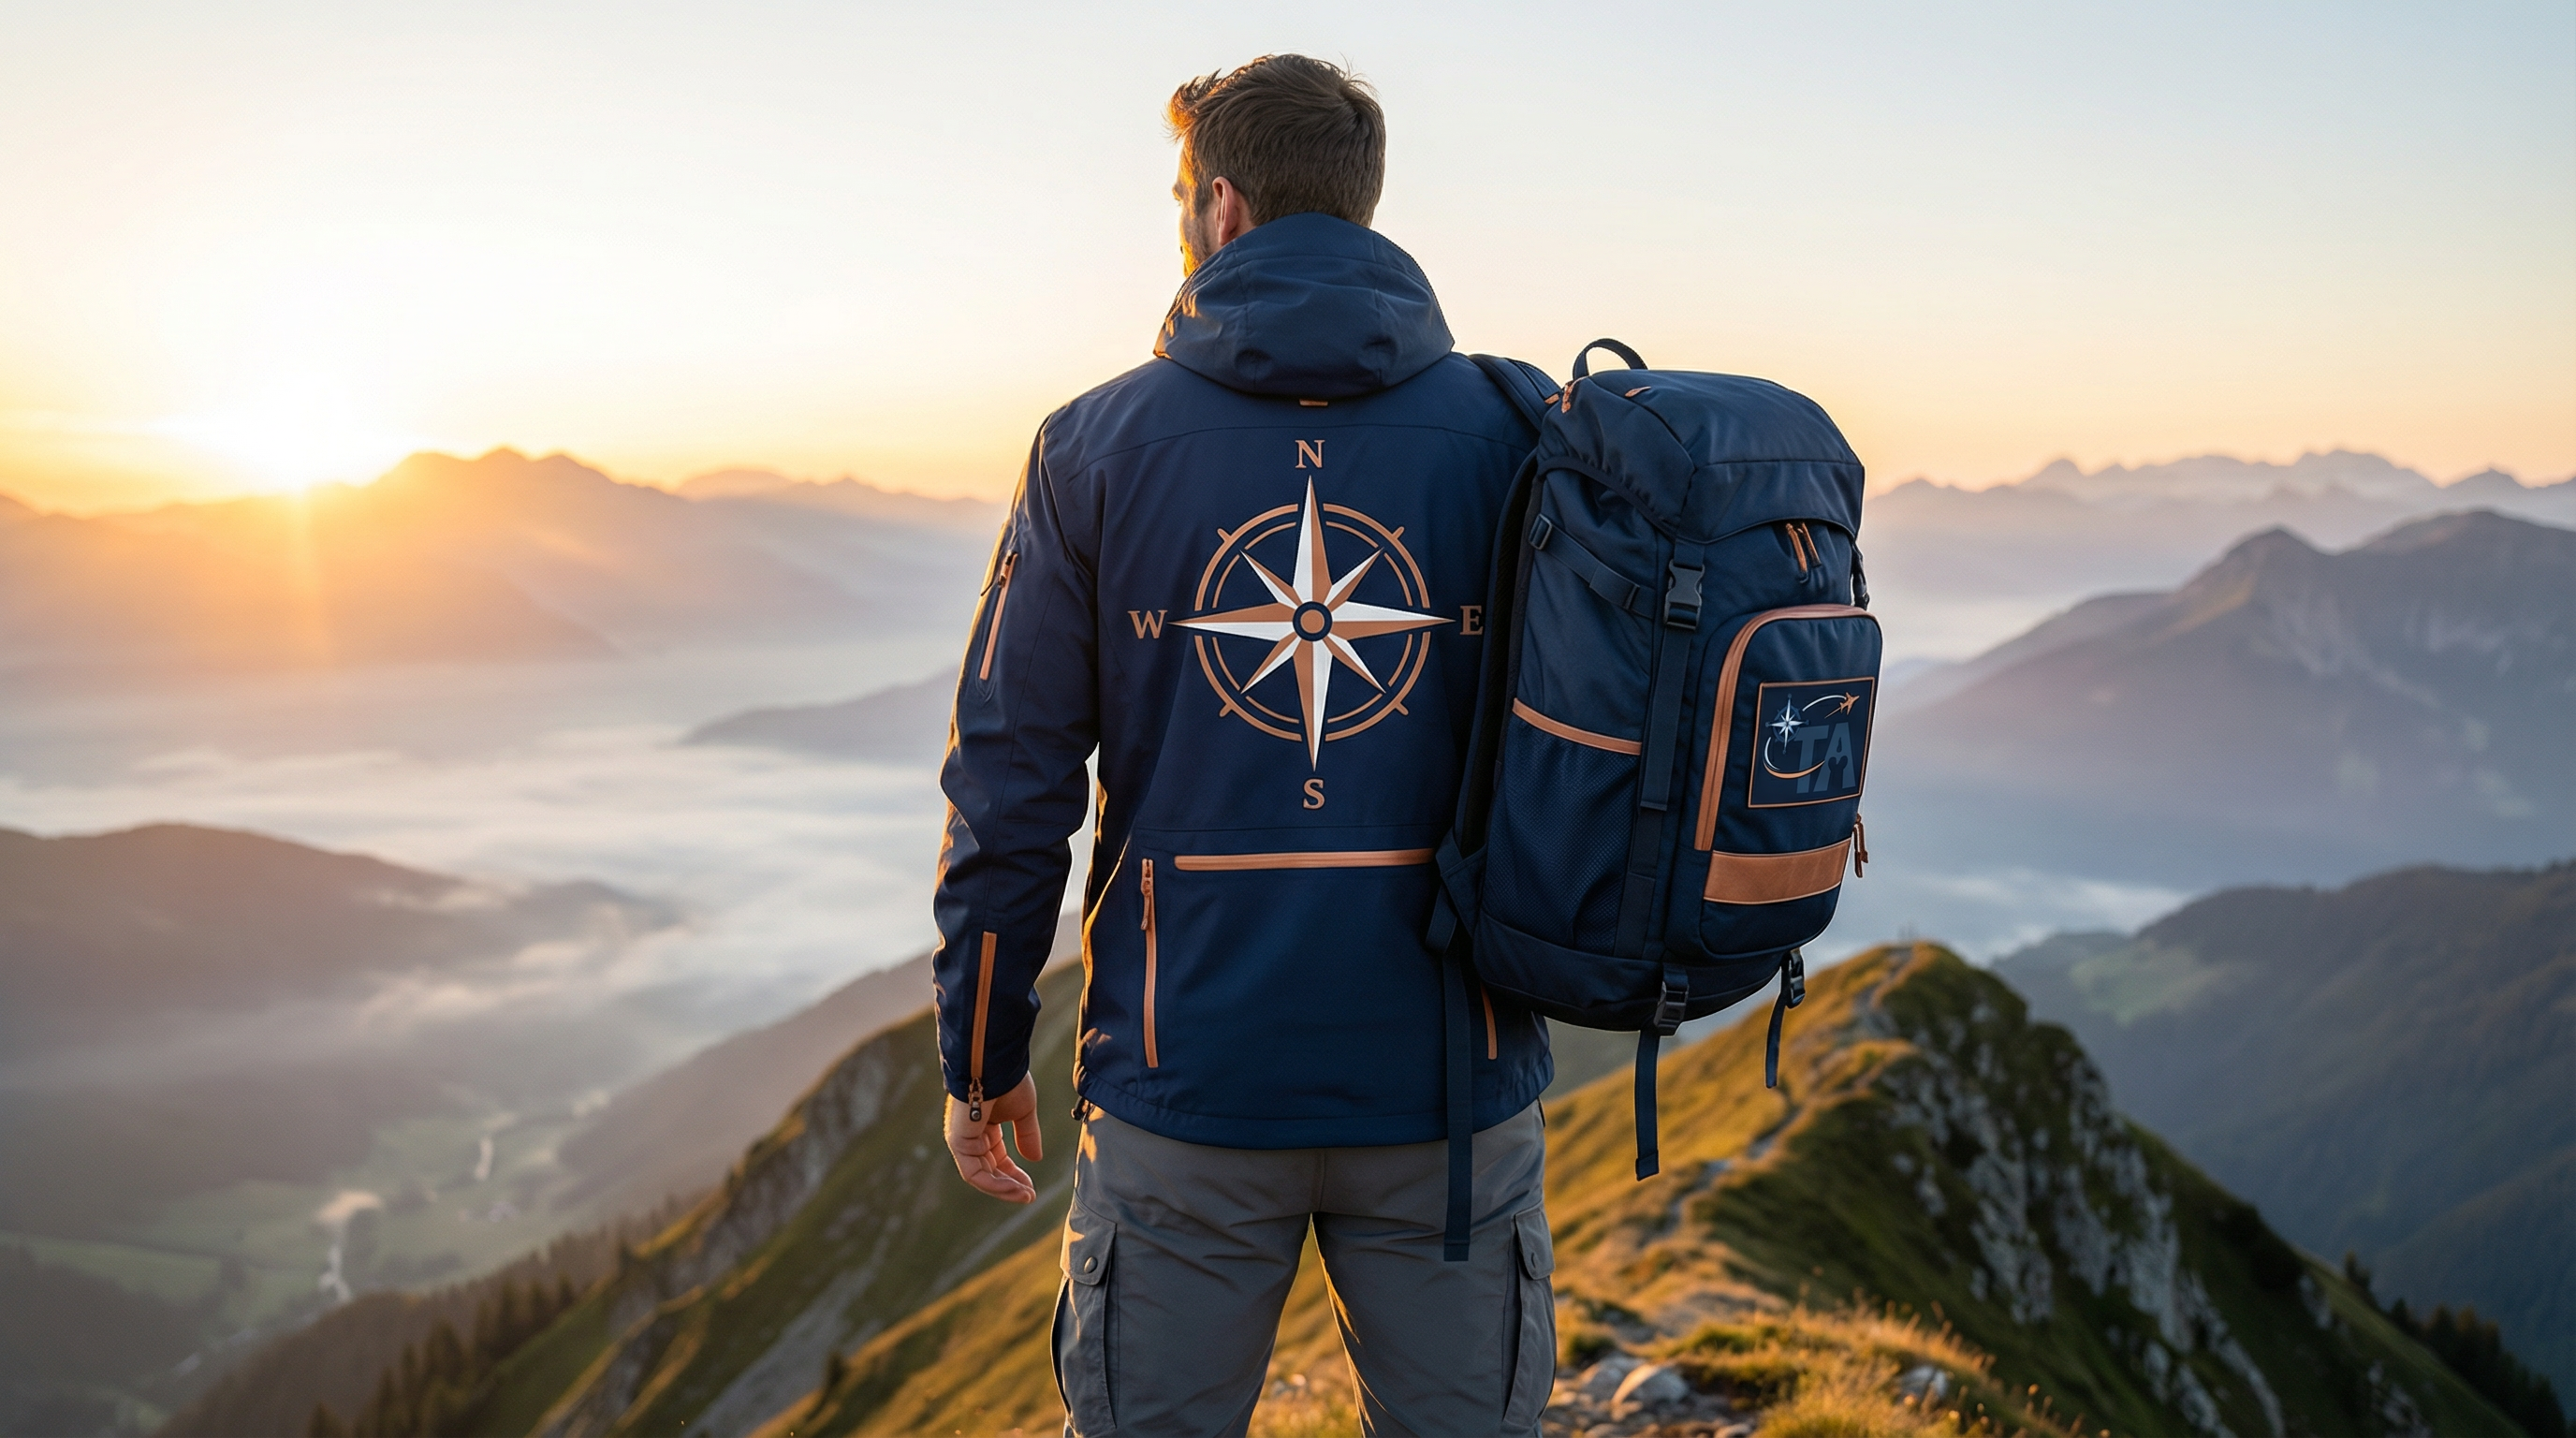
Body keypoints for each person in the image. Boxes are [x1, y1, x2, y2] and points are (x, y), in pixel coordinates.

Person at [930, 54, 1555, 1437]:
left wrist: (982, 1050)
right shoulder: (1518, 434)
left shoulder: (1091, 448)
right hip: (1453, 1086)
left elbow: (1012, 781)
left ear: (1220, 206)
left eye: (1177, 199)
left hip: (1186, 1082)